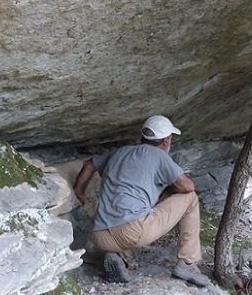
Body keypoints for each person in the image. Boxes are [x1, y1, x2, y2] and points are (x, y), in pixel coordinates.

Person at [73, 115, 210, 286]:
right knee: (190, 199)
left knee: (142, 211)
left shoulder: (120, 152)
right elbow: (188, 186)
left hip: (99, 236)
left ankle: (117, 254)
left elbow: (88, 165)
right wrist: (169, 190)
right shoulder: (160, 156)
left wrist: (79, 191)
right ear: (166, 141)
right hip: (133, 232)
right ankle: (188, 264)